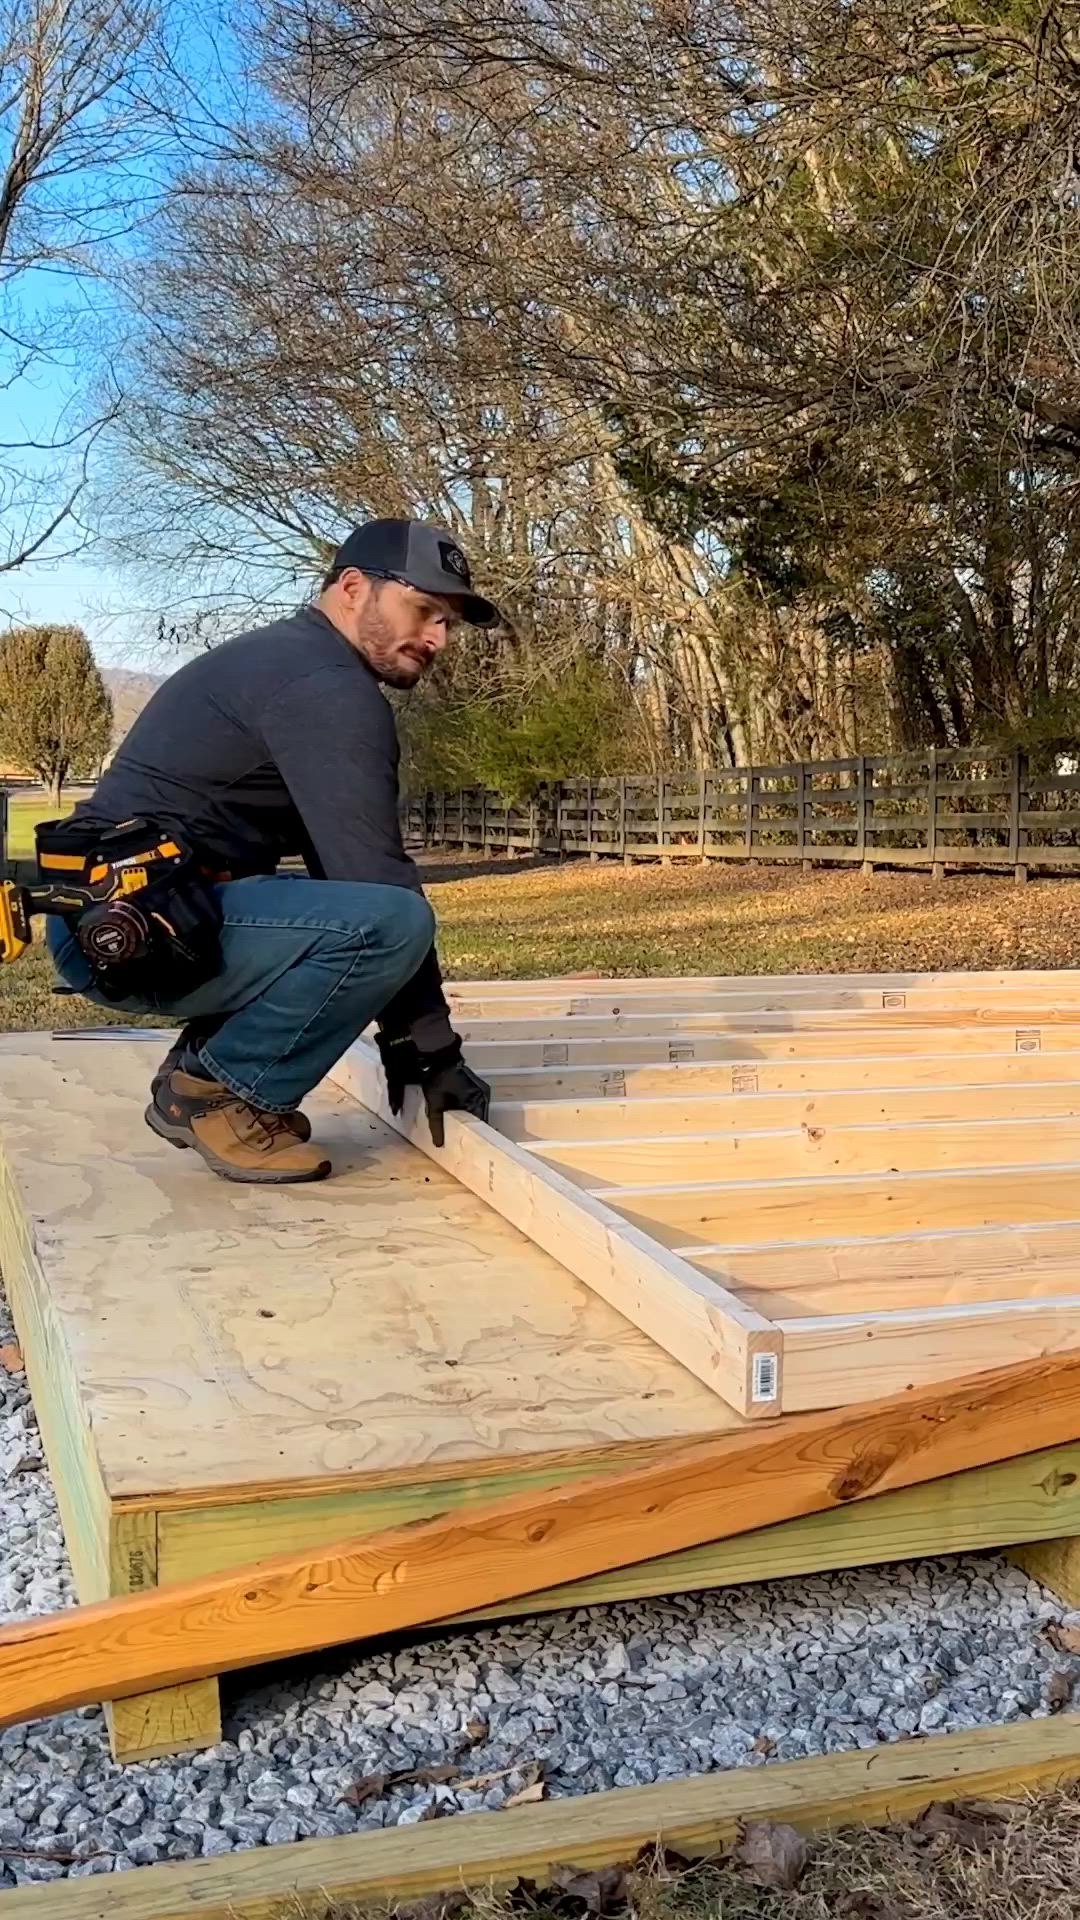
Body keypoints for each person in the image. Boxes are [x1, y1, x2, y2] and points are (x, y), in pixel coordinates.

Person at [46, 518, 495, 1185]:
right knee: (394, 923)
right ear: (352, 588)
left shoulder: (288, 661)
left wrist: (407, 1041)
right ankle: (222, 1095)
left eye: (448, 622)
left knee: (338, 915)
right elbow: (375, 881)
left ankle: (192, 1081)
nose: (437, 638)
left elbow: (336, 865)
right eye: (424, 610)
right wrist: (430, 1050)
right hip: (132, 932)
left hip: (128, 915)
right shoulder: (326, 688)